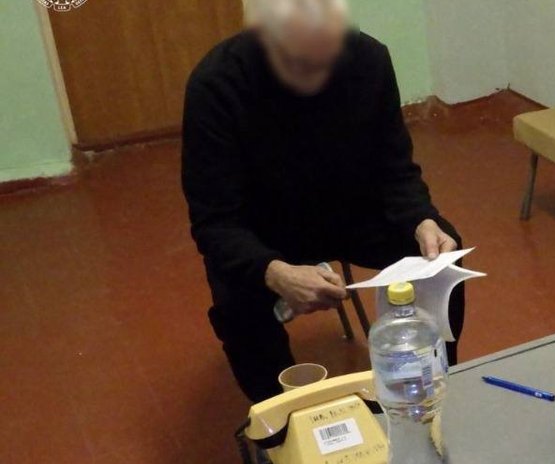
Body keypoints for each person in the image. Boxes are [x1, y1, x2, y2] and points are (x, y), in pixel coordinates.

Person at [183, 0, 464, 402]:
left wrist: (422, 218)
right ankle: (282, 416)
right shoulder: (217, 84)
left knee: (440, 256)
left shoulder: (368, 59)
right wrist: (274, 272)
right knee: (237, 302)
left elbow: (395, 170)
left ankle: (435, 387)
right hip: (264, 232)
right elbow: (215, 223)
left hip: (352, 213)